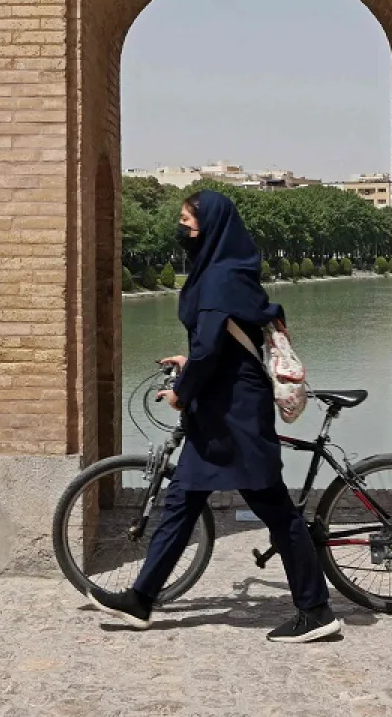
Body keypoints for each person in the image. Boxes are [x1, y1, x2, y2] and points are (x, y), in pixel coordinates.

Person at [87, 190, 341, 643]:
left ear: (210, 227)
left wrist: (182, 392)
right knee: (182, 499)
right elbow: (217, 345)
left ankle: (316, 609)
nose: (183, 229)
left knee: (274, 509)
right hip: (222, 410)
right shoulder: (227, 272)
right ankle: (141, 598)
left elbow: (208, 351)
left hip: (235, 415)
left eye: (188, 221)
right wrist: (190, 366)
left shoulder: (220, 278)